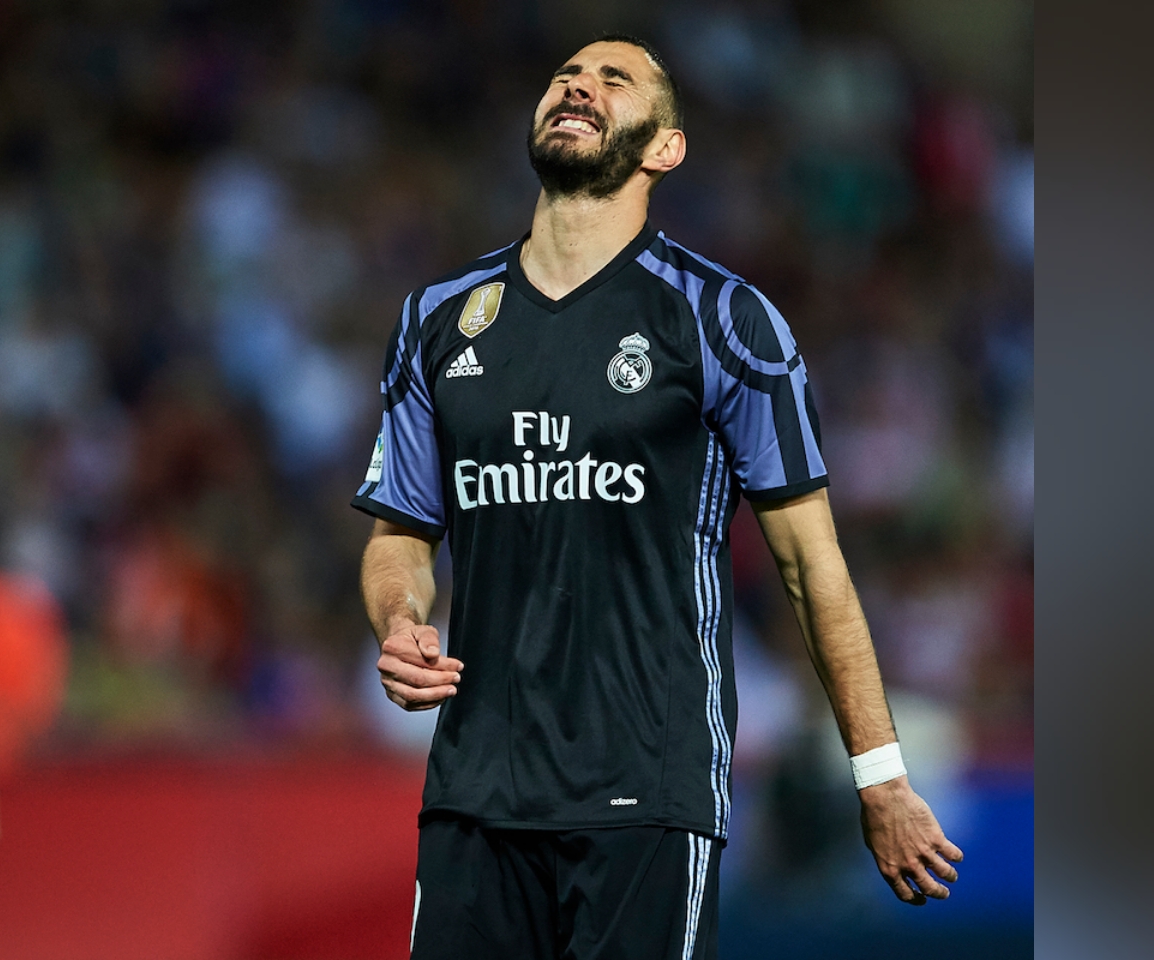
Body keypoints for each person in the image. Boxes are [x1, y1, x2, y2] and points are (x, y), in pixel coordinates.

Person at [353, 35, 963, 959]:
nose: (577, 85)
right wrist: (400, 619)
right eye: (565, 74)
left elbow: (811, 564)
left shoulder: (722, 320)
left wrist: (879, 777)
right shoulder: (439, 317)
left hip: (648, 787)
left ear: (664, 148)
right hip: (475, 790)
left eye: (613, 78)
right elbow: (400, 531)